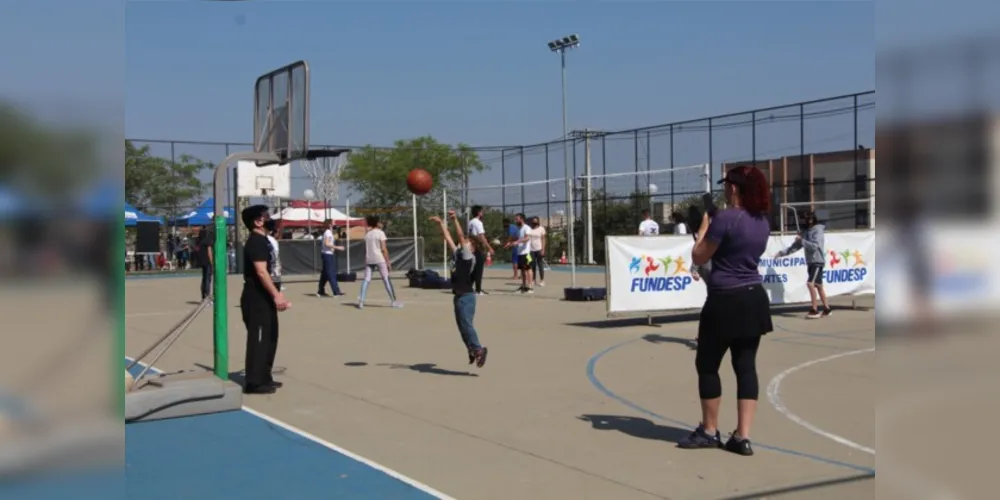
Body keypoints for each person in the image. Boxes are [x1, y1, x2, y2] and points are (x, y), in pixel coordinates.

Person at [678, 166, 773, 457]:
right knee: (746, 367)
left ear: (734, 188)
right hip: (753, 297)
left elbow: (698, 255)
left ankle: (709, 430)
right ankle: (742, 437)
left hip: (724, 299)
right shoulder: (762, 221)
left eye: (727, 185)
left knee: (707, 364)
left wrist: (706, 225)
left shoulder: (726, 219)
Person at [240, 205, 290, 395]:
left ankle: (264, 376)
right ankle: (253, 382)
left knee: (270, 338)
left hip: (266, 297)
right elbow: (261, 272)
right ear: (257, 221)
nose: (269, 218)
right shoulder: (256, 242)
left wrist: (278, 294)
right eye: (265, 216)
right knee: (259, 339)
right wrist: (276, 295)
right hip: (256, 298)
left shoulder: (265, 241)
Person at [431, 211, 489, 367]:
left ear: (472, 248)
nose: (464, 242)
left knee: (467, 325)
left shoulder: (469, 257)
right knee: (462, 327)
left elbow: (460, 236)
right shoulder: (457, 254)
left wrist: (455, 219)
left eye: (468, 242)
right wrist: (441, 224)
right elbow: (449, 237)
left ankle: (479, 349)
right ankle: (471, 349)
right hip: (458, 296)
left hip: (467, 297)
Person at [774, 210, 830, 319]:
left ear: (814, 219)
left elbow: (814, 247)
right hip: (811, 261)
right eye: (806, 219)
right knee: (818, 286)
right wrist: (781, 253)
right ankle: (827, 309)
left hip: (817, 261)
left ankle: (814, 310)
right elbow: (795, 246)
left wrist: (802, 240)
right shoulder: (806, 231)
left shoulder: (817, 231)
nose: (807, 221)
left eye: (809, 219)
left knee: (810, 284)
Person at [358, 215, 402, 309]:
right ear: (377, 223)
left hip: (369, 259)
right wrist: (388, 262)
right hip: (379, 258)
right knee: (386, 279)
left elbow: (366, 249)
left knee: (366, 279)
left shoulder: (367, 235)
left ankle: (361, 301)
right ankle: (393, 301)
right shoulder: (380, 233)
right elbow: (384, 249)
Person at [466, 205, 494, 295]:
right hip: (478, 247)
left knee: (474, 269)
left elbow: (470, 235)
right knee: (479, 269)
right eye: (482, 211)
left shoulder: (470, 222)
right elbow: (481, 236)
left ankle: (468, 287)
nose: (483, 213)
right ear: (478, 213)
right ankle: (478, 290)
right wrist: (489, 247)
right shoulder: (478, 222)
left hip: (472, 246)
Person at [504, 213, 534, 293]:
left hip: (527, 253)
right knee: (522, 270)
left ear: (522, 219)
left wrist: (517, 242)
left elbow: (527, 238)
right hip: (520, 253)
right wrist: (509, 243)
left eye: (517, 219)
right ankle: (524, 286)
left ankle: (530, 287)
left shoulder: (527, 228)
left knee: (528, 269)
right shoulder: (519, 229)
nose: (516, 220)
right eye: (515, 219)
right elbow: (515, 238)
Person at [317, 220, 346, 297]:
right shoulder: (328, 232)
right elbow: (327, 243)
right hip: (327, 255)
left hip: (327, 254)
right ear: (329, 224)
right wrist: (338, 247)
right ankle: (336, 292)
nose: (335, 224)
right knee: (331, 273)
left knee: (325, 274)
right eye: (333, 223)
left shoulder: (328, 232)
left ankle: (320, 291)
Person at [264, 219, 284, 292]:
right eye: (277, 232)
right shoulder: (271, 240)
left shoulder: (269, 239)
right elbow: (275, 254)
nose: (278, 234)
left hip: (272, 265)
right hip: (272, 266)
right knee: (274, 285)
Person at [527, 216, 547, 287]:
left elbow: (543, 239)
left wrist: (543, 249)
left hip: (539, 249)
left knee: (540, 265)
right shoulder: (529, 229)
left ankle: (542, 280)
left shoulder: (541, 229)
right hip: (531, 250)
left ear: (538, 222)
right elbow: (527, 238)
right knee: (532, 265)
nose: (534, 222)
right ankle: (533, 280)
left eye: (536, 221)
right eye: (533, 221)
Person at [197, 220, 214, 300]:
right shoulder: (207, 241)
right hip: (207, 262)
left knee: (204, 278)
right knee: (208, 278)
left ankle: (203, 295)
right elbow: (209, 253)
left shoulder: (200, 242)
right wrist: (212, 263)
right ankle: (207, 295)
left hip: (202, 262)